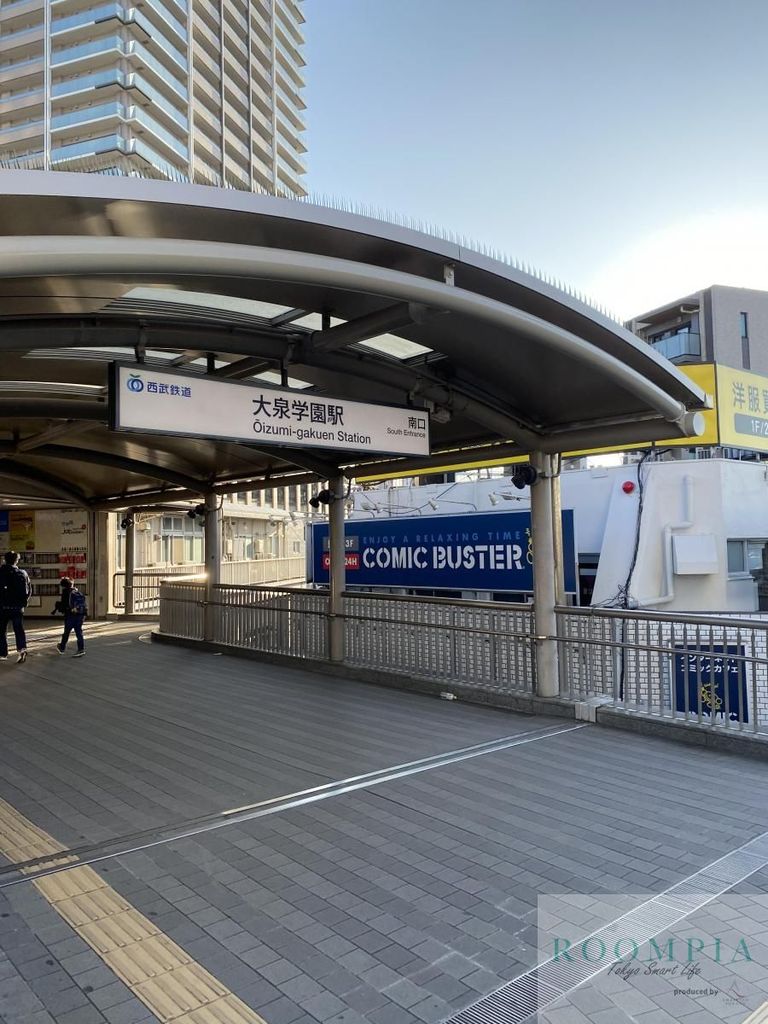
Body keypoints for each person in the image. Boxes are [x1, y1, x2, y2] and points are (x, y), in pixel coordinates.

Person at [0, 550, 31, 664]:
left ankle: (2, 653)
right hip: (17, 608)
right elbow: (29, 590)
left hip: (2, 607)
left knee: (1, 630)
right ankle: (22, 649)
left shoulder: (1, 572)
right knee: (19, 629)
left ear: (4, 559)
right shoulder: (23, 573)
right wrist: (23, 603)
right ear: (17, 560)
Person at [53, 577, 87, 657]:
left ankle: (62, 647)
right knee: (79, 632)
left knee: (66, 632)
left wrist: (58, 606)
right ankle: (81, 649)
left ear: (63, 586)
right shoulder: (77, 591)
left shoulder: (66, 592)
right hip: (80, 615)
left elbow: (64, 606)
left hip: (70, 616)